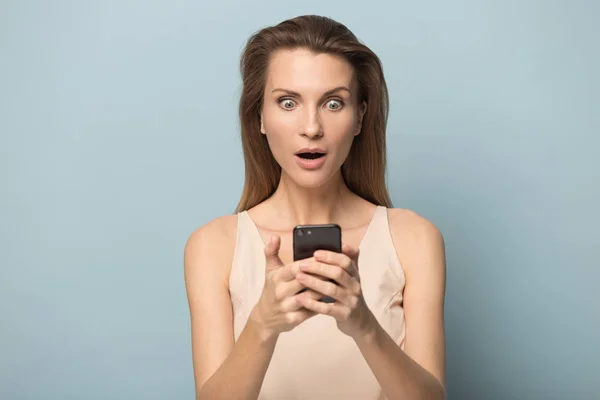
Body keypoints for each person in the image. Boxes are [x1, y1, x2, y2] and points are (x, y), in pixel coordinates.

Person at [184, 14, 447, 400]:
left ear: (360, 117)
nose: (311, 127)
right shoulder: (213, 246)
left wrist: (363, 325)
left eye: (333, 103)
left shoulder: (414, 239)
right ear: (259, 116)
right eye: (287, 102)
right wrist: (262, 324)